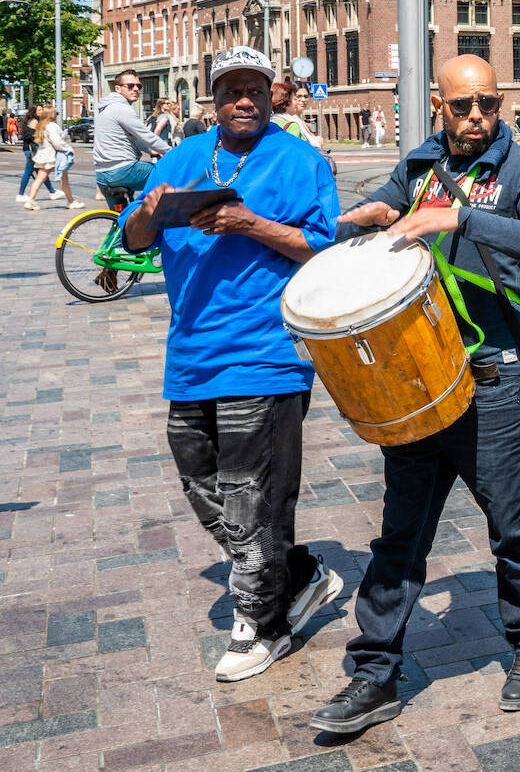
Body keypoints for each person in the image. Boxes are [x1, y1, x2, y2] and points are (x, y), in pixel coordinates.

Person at [313, 54, 520, 733]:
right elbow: (394, 213)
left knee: (513, 528)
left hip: (493, 383)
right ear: (439, 104)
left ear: (502, 102)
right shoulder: (422, 163)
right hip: (417, 383)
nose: (477, 118)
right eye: (463, 106)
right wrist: (376, 214)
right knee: (400, 537)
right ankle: (374, 674)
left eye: (487, 104)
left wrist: (456, 220)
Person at [118, 46, 344, 683]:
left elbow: (323, 249)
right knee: (205, 489)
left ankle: (262, 623)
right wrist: (144, 209)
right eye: (230, 90)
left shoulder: (301, 162)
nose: (243, 99)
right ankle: (295, 573)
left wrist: (250, 223)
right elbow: (132, 242)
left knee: (254, 496)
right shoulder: (182, 158)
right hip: (190, 356)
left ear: (273, 93)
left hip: (266, 354)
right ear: (211, 98)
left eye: (254, 88)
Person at [94, 68, 170, 200]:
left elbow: (136, 140)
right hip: (123, 170)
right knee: (168, 174)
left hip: (102, 174)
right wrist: (174, 152)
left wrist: (152, 152)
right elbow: (147, 136)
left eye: (138, 86)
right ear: (117, 88)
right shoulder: (122, 108)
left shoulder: (105, 108)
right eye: (130, 86)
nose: (136, 89)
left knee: (121, 218)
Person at [20, 107, 78, 210]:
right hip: (52, 155)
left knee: (40, 178)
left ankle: (31, 201)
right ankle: (71, 201)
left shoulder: (43, 125)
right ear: (52, 115)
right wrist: (68, 148)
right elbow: (56, 142)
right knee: (63, 178)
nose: (57, 115)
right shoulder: (51, 126)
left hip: (44, 154)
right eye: (56, 113)